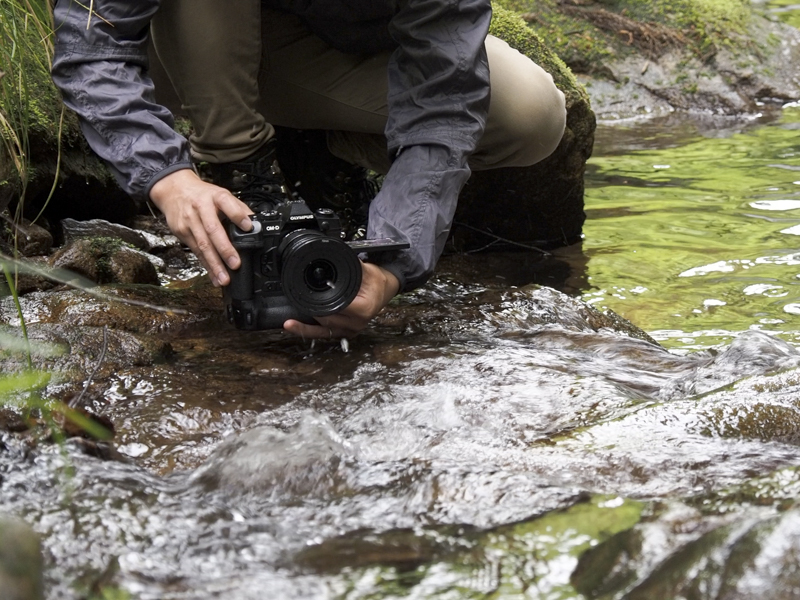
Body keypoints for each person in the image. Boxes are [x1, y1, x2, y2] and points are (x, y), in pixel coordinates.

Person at [50, 0, 566, 339]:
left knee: (531, 114)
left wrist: (391, 268)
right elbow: (92, 48)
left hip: (327, 54)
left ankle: (315, 148)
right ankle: (241, 168)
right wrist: (168, 178)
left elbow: (445, 96)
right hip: (175, 47)